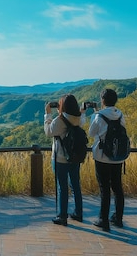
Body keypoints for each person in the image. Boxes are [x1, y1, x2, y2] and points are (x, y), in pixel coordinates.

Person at [44, 94, 86, 226]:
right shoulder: (78, 119)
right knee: (75, 185)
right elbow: (81, 120)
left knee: (62, 187)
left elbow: (48, 132)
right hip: (75, 158)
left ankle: (62, 216)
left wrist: (48, 115)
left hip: (60, 158)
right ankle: (78, 213)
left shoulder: (59, 120)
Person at [88, 88, 127, 232]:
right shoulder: (120, 115)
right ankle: (118, 218)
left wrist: (94, 115)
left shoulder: (98, 116)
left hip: (102, 156)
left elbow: (92, 133)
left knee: (104, 188)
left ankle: (103, 220)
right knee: (117, 187)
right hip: (118, 156)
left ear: (102, 100)